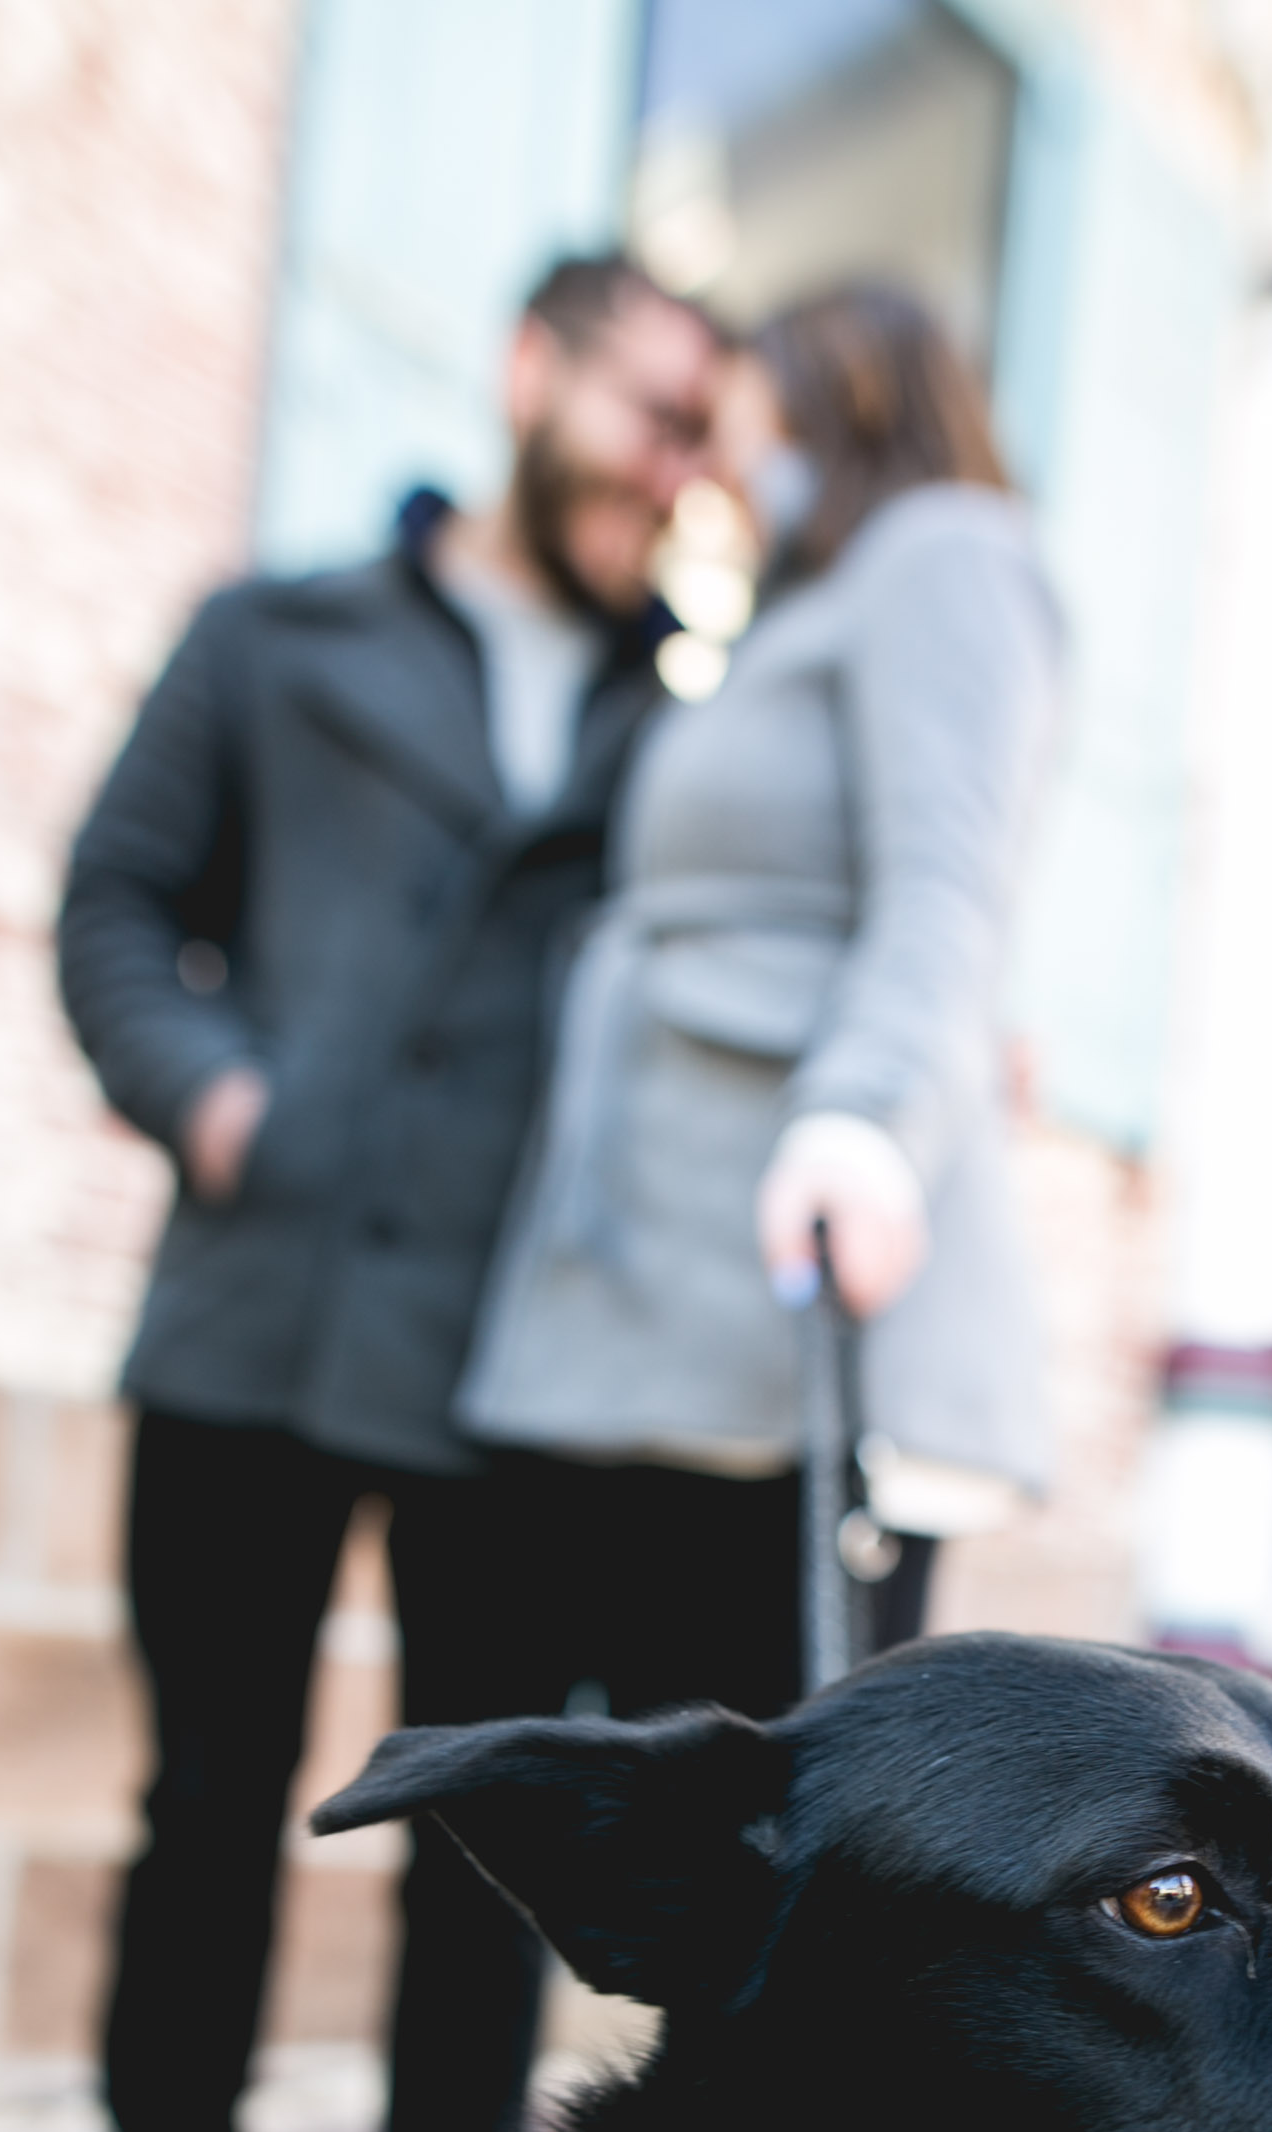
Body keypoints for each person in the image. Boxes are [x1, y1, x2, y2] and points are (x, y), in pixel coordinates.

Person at [0, 256, 722, 2132]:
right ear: (530, 377)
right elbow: (115, 904)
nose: (677, 467)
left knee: (484, 1866)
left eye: (705, 434)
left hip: (516, 1377)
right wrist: (214, 1099)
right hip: (255, 1329)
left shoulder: (676, 724)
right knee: (205, 1812)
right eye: (651, 410)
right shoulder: (274, 636)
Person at [456, 282, 1059, 1726]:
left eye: (721, 407)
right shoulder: (798, 612)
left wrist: (865, 1118)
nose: (706, 462)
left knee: (777, 1859)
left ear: (822, 388)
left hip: (781, 1320)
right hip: (654, 1312)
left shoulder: (947, 554)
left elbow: (947, 889)